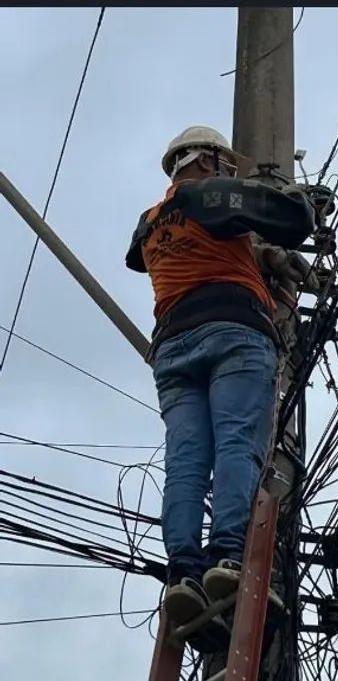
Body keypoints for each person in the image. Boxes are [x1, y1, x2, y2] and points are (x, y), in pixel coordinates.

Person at [125, 126, 315, 628]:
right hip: (233, 332)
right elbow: (291, 218)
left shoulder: (148, 224)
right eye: (224, 163)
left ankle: (182, 573)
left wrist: (255, 251)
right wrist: (284, 201)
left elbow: (138, 258)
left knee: (186, 462)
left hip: (171, 347)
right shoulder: (211, 194)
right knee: (236, 443)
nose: (230, 171)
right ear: (206, 159)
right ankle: (228, 556)